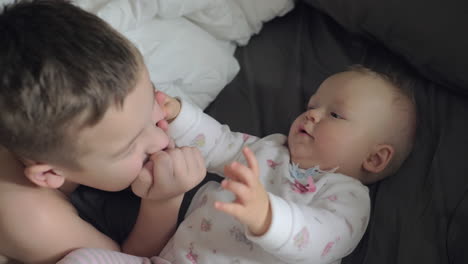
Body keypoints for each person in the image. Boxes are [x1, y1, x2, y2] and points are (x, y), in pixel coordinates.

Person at [58, 63, 418, 264]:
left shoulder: (347, 198)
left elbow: (324, 239)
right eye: (312, 106)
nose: (312, 115)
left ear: (374, 158)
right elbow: (219, 143)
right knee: (81, 260)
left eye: (335, 114)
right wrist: (180, 115)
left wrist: (266, 216)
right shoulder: (269, 149)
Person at [0, 0, 205, 263]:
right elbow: (121, 259)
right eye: (129, 146)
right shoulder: (34, 218)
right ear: (50, 173)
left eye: (150, 101)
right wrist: (163, 202)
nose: (161, 139)